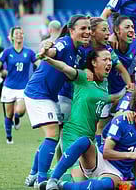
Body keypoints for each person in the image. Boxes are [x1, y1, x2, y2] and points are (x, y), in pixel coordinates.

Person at [23, 15, 90, 187]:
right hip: (38, 92)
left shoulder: (80, 52)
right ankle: (42, 179)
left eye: (89, 28)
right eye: (83, 28)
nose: (87, 32)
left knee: (51, 137)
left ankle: (33, 174)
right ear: (71, 30)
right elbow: (53, 51)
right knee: (53, 134)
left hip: (50, 96)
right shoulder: (65, 42)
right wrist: (47, 49)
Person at [45, 89, 136, 190]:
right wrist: (129, 155)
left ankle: (62, 186)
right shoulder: (122, 121)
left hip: (116, 172)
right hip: (98, 159)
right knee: (84, 141)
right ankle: (53, 179)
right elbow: (106, 152)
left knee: (106, 186)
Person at [37, 48, 118, 181]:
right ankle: (46, 177)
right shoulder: (83, 78)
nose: (109, 62)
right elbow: (65, 68)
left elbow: (107, 98)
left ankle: (53, 174)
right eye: (105, 59)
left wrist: (125, 95)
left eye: (110, 60)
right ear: (94, 62)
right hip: (72, 135)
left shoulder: (104, 83)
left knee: (89, 180)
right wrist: (48, 59)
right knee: (80, 182)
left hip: (88, 140)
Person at [0, 27, 39, 144]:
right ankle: (9, 137)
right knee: (8, 114)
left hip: (23, 87)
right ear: (11, 37)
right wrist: (1, 72)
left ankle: (17, 118)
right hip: (9, 87)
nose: (19, 35)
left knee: (20, 111)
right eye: (17, 33)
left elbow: (39, 64)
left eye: (21, 33)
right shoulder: (7, 52)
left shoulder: (30, 52)